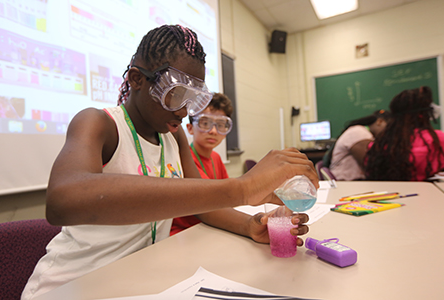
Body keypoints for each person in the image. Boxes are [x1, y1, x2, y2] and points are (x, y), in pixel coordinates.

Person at [21, 24, 319, 299]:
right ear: (136, 79)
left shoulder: (172, 137)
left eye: (192, 98)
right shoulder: (99, 124)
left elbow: (205, 206)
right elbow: (62, 200)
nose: (184, 111)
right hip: (72, 286)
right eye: (175, 94)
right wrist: (242, 188)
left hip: (136, 281)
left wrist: (251, 225)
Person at [171, 92, 233, 235]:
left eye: (221, 125)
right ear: (190, 128)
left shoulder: (216, 157)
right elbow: (211, 201)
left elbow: (228, 197)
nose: (213, 131)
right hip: (185, 234)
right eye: (205, 123)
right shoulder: (183, 160)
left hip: (213, 228)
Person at [365, 86, 444, 181]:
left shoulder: (381, 141)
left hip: (387, 192)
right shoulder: (436, 138)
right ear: (424, 113)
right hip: (427, 192)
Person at [325, 109, 390, 181]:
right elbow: (371, 164)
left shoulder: (364, 132)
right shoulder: (359, 132)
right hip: (348, 183)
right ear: (379, 121)